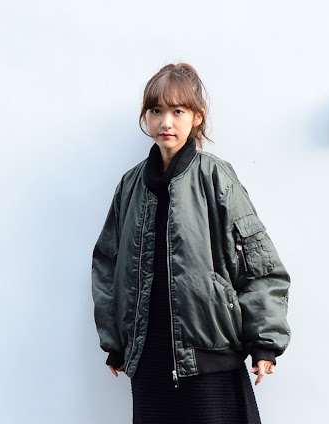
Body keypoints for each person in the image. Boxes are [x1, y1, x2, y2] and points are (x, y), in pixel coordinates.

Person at [92, 63, 291, 424]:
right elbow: (107, 263)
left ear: (197, 117)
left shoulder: (215, 176)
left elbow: (258, 262)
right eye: (156, 111)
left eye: (178, 111)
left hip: (209, 354)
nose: (166, 122)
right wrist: (116, 341)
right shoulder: (131, 185)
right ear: (146, 117)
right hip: (148, 357)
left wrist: (265, 342)